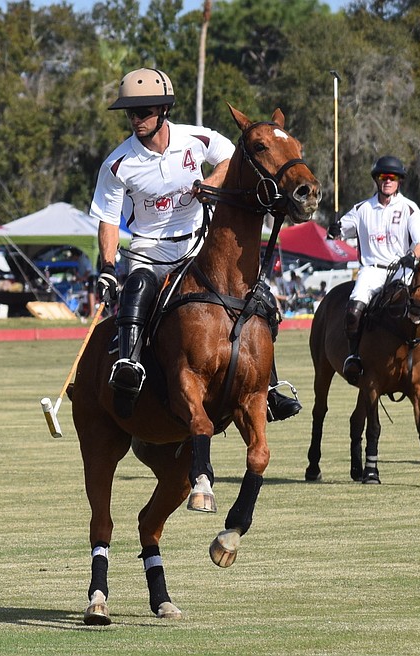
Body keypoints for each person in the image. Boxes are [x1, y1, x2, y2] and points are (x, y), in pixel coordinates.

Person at [90, 67, 302, 420]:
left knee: (258, 298)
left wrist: (211, 183)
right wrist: (109, 267)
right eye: (130, 113)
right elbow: (108, 219)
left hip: (198, 245)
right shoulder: (117, 164)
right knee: (137, 290)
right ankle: (129, 368)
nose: (135, 119)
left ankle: (268, 388)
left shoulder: (196, 138)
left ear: (164, 111)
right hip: (150, 250)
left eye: (143, 112)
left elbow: (231, 158)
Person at [327, 155, 420, 389]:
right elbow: (340, 230)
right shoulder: (362, 209)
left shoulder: (409, 208)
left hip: (403, 270)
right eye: (383, 177)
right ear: (377, 179)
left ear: (399, 181)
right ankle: (354, 357)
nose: (388, 181)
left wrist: (412, 256)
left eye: (392, 177)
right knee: (354, 310)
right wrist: (335, 228)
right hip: (371, 270)